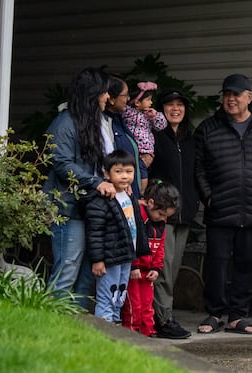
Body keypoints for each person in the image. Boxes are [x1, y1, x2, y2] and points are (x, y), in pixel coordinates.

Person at [193, 73, 252, 335]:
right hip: (220, 209)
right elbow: (198, 169)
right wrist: (209, 197)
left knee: (248, 263)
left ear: (249, 98)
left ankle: (237, 316)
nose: (230, 99)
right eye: (227, 94)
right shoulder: (207, 128)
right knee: (216, 263)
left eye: (236, 95)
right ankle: (215, 313)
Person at [43, 66, 116, 309]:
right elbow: (62, 163)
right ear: (93, 94)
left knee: (87, 273)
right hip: (68, 208)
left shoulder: (95, 123)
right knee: (68, 267)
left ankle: (79, 332)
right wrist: (97, 183)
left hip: (89, 209)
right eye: (104, 92)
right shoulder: (64, 123)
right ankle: (53, 324)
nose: (108, 97)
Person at [150, 88, 198, 340]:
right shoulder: (154, 138)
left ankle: (162, 316)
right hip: (162, 215)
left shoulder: (193, 140)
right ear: (162, 110)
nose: (175, 109)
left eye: (180, 104)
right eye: (169, 105)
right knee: (163, 268)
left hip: (185, 215)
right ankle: (163, 320)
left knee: (173, 268)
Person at [84, 149, 150, 323]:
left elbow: (136, 228)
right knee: (107, 295)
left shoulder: (129, 196)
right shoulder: (102, 198)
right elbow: (95, 232)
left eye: (129, 172)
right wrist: (98, 260)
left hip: (125, 256)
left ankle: (115, 329)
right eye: (118, 172)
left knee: (119, 296)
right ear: (106, 174)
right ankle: (104, 332)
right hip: (110, 257)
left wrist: (135, 260)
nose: (124, 176)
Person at [122, 183, 180, 337]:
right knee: (134, 305)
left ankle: (148, 333)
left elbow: (160, 247)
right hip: (133, 272)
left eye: (166, 216)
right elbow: (130, 241)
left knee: (147, 305)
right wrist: (133, 265)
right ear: (151, 203)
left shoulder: (161, 222)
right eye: (161, 214)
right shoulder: (136, 215)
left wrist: (156, 268)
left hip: (148, 272)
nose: (163, 218)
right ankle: (131, 334)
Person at [105, 75, 146, 200]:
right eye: (125, 95)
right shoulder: (104, 124)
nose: (128, 99)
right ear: (111, 98)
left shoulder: (120, 120)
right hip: (117, 195)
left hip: (131, 193)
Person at [121, 81, 167, 189]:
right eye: (148, 100)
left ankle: (141, 192)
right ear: (137, 102)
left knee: (143, 172)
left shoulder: (149, 115)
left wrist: (155, 115)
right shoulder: (127, 112)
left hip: (146, 151)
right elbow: (121, 109)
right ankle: (141, 192)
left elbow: (161, 125)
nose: (151, 102)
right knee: (141, 174)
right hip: (133, 151)